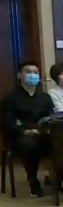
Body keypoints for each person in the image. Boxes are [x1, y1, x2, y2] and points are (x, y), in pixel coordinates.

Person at [1, 61, 55, 196]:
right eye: (28, 72)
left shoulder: (45, 98)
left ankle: (57, 180)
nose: (32, 75)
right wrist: (25, 131)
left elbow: (51, 117)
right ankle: (33, 180)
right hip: (19, 137)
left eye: (35, 72)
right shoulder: (10, 99)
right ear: (20, 75)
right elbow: (8, 123)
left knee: (61, 143)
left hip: (42, 134)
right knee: (30, 145)